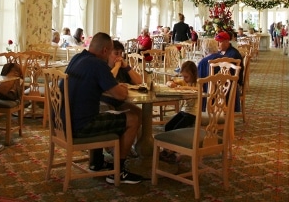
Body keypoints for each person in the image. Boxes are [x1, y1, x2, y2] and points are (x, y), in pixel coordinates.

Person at [64, 32, 143, 184]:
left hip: (63, 122)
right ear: (105, 51)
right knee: (132, 118)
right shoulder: (98, 65)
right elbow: (120, 95)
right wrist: (120, 88)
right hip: (82, 126)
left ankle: (98, 162)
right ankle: (118, 171)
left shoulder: (77, 58)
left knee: (110, 112)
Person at [91, 40, 143, 168]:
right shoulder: (104, 68)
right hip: (104, 102)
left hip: (120, 101)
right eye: (115, 53)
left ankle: (132, 145)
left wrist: (126, 67)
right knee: (125, 117)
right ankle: (113, 149)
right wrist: (117, 66)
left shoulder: (123, 68)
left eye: (121, 53)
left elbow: (139, 81)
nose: (118, 57)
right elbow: (108, 79)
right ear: (108, 54)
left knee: (138, 112)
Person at [159, 60, 199, 163]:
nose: (184, 79)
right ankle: (167, 149)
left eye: (186, 77)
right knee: (168, 127)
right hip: (184, 111)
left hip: (193, 114)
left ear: (193, 75)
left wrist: (182, 87)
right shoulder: (183, 81)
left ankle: (175, 152)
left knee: (177, 130)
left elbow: (197, 90)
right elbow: (168, 82)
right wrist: (172, 83)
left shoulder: (198, 83)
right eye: (183, 77)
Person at [197, 31, 244, 110]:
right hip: (225, 86)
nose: (218, 44)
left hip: (228, 87)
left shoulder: (233, 54)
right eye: (217, 42)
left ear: (227, 42)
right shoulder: (222, 54)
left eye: (220, 42)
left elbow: (230, 76)